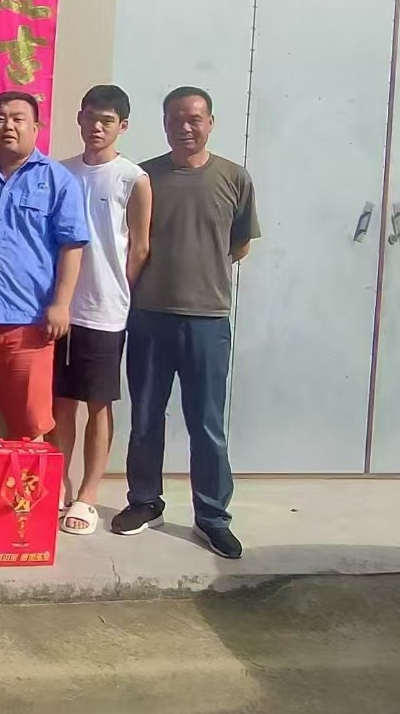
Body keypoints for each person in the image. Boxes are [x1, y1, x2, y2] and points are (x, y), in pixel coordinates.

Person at [113, 86, 258, 559]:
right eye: (176, 118)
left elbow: (239, 245)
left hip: (207, 320)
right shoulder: (145, 177)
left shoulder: (234, 178)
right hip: (150, 316)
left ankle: (212, 517)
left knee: (207, 424)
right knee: (145, 418)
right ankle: (144, 501)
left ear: (210, 122)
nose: (185, 127)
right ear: (164, 123)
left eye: (195, 118)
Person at [0, 92, 89, 440]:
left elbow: (72, 246)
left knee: (28, 426)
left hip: (29, 325)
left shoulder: (57, 180)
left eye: (17, 119)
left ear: (36, 127)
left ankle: (25, 481)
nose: (8, 126)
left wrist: (61, 304)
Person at [54, 85, 152, 536]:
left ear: (122, 126)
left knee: (98, 404)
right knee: (60, 403)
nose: (97, 127)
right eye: (91, 117)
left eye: (107, 120)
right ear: (79, 118)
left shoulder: (133, 178)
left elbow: (140, 246)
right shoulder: (61, 172)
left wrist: (116, 288)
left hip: (105, 311)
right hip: (61, 308)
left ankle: (88, 494)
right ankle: (58, 485)